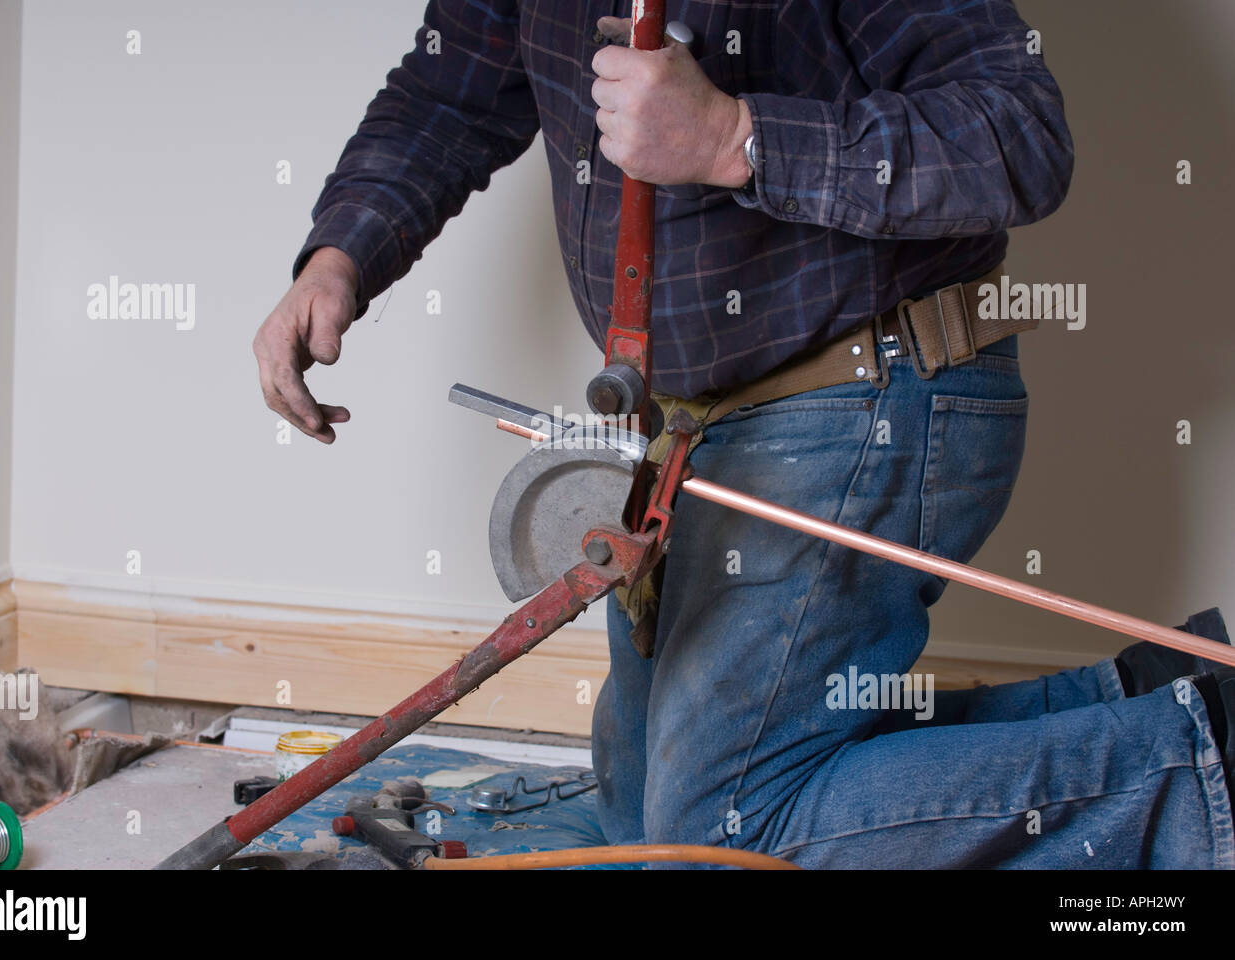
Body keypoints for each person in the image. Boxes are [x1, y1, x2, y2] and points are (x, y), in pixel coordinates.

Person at [251, 0, 1235, 867]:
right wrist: (340, 256)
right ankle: (1157, 705)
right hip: (693, 430)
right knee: (643, 818)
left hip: (869, 388)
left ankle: (1197, 769)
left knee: (711, 843)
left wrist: (734, 137)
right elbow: (448, 96)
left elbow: (1020, 138)